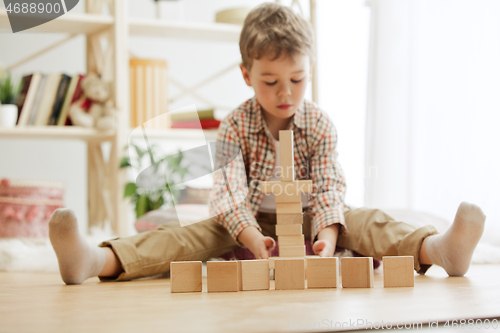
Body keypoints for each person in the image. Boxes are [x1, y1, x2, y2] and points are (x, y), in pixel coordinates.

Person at [49, 3, 486, 285]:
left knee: (369, 220)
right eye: (270, 81)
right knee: (186, 234)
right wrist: (250, 236)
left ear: (309, 71)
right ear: (246, 75)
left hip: (315, 217)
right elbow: (228, 192)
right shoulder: (236, 125)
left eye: (297, 80)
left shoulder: (318, 123)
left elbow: (331, 183)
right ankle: (97, 261)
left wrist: (329, 235)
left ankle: (439, 250)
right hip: (250, 220)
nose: (285, 93)